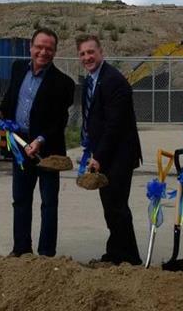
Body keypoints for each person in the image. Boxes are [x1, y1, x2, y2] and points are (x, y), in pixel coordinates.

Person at [0, 28, 75, 257]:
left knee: (48, 204)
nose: (43, 52)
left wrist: (40, 140)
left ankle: (46, 253)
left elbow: (60, 120)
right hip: (19, 144)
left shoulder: (64, 83)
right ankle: (21, 251)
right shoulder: (18, 69)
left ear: (55, 51)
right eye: (39, 47)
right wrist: (0, 112)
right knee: (21, 200)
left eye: (49, 48)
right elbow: (11, 97)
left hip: (47, 150)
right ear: (31, 47)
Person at [76, 34, 142, 265]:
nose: (87, 57)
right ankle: (115, 254)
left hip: (120, 155)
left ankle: (129, 258)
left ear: (101, 52)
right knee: (110, 206)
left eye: (91, 52)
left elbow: (114, 125)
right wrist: (88, 147)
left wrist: (99, 157)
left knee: (117, 206)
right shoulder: (91, 80)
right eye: (83, 53)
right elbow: (92, 119)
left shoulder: (114, 80)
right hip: (104, 153)